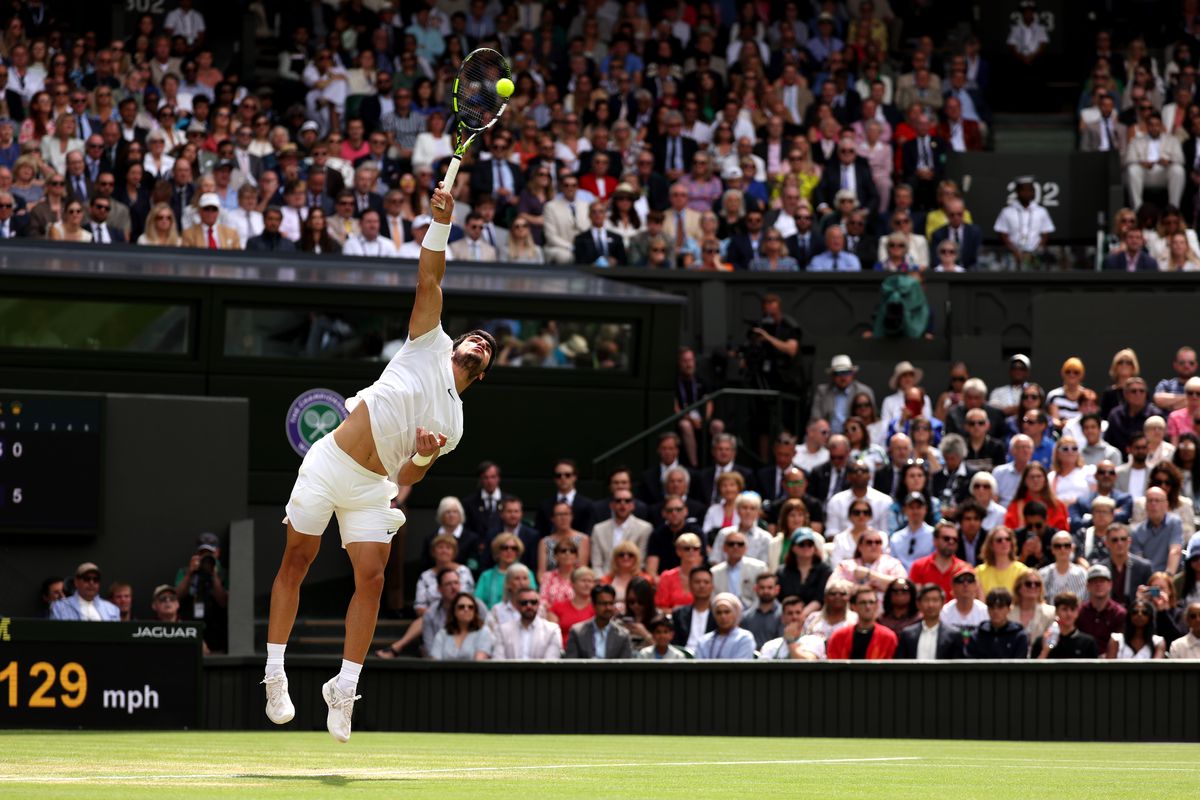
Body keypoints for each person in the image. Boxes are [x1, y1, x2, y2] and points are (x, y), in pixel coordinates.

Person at [263, 183, 496, 742]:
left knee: (368, 580)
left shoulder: (455, 424)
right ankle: (274, 673)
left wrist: (419, 453)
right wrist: (440, 223)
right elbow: (430, 277)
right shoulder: (426, 340)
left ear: (481, 372)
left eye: (487, 349)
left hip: (372, 488)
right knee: (297, 559)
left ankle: (343, 687)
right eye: (475, 338)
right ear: (456, 342)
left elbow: (410, 478)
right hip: (330, 462)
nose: (478, 344)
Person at [993, 175, 1054, 268]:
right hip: (1012, 256)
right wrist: (1014, 251)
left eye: (1030, 190)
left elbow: (1045, 234)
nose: (1027, 193)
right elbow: (1002, 234)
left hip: (1035, 257)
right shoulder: (1007, 211)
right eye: (1023, 190)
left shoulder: (1041, 211)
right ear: (1017, 192)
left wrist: (1035, 252)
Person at [826, 586, 898, 659]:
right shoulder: (839, 637)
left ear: (877, 606)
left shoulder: (888, 638)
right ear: (854, 606)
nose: (868, 607)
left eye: (871, 602)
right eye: (863, 603)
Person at [491, 588, 563, 660]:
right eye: (524, 603)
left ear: (538, 604)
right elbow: (499, 661)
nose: (529, 606)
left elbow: (551, 663)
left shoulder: (552, 630)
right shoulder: (503, 630)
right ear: (516, 606)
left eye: (533, 602)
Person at [564, 585, 633, 659]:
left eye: (611, 603)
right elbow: (571, 665)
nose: (608, 608)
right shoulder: (577, 632)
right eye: (603, 604)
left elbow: (625, 667)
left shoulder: (623, 635)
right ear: (594, 605)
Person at [414, 534, 475, 615]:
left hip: (460, 616)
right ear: (433, 551)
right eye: (440, 547)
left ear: (454, 552)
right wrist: (436, 617)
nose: (444, 551)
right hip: (432, 617)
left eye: (448, 548)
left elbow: (468, 600)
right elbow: (419, 606)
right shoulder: (425, 576)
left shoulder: (463, 572)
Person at [895, 584, 962, 659]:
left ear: (943, 603)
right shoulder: (907, 634)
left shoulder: (954, 635)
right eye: (926, 600)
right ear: (918, 604)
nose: (931, 605)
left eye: (935, 600)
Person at [1076, 564, 1127, 656]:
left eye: (1102, 581)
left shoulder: (1119, 613)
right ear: (1087, 586)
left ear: (1110, 584)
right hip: (1083, 663)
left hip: (1110, 664)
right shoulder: (1079, 612)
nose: (1098, 584)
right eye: (1094, 581)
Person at [1131, 486, 1185, 573]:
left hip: (1169, 579)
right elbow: (1138, 563)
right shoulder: (1136, 532)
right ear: (1145, 506)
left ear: (1166, 505)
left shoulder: (1174, 523)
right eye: (1150, 501)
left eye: (1157, 500)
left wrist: (1168, 577)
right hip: (1146, 580)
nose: (1153, 504)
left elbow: (1175, 551)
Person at [909, 520, 971, 595]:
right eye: (946, 538)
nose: (951, 542)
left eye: (955, 539)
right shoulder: (919, 566)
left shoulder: (965, 569)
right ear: (935, 540)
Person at [476, 534, 536, 609]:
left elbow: (533, 600)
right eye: (504, 548)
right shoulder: (486, 576)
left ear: (518, 552)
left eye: (514, 548)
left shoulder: (527, 573)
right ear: (497, 551)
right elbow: (477, 602)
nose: (509, 551)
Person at [1032, 592, 1099, 659]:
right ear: (1056, 612)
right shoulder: (1042, 641)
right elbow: (1032, 668)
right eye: (1064, 609)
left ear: (1077, 612)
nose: (1069, 614)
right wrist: (1045, 650)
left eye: (1072, 609)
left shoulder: (1088, 643)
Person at [965, 588, 1028, 659]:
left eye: (1000, 607)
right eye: (991, 607)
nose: (995, 611)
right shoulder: (977, 635)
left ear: (1009, 609)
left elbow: (1019, 666)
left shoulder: (1018, 636)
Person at [430, 593, 493, 661]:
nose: (466, 609)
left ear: (475, 612)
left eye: (471, 607)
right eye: (461, 607)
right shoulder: (442, 634)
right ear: (454, 611)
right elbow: (435, 661)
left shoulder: (483, 632)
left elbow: (479, 662)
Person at [49, 562, 121, 621]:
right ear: (76, 582)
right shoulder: (59, 607)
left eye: (96, 579)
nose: (91, 583)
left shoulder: (112, 609)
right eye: (87, 578)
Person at [694, 592, 756, 659]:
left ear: (735, 613)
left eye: (727, 612)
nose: (723, 616)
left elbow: (740, 667)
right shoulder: (704, 641)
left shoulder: (744, 638)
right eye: (719, 612)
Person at [547, 567, 596, 648]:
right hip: (562, 652)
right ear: (573, 584)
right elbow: (551, 635)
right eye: (583, 580)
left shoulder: (597, 609)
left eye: (590, 581)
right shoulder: (557, 607)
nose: (587, 584)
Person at [654, 532, 705, 610]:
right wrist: (679, 614)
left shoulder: (705, 577)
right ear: (678, 551)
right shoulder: (667, 577)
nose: (691, 551)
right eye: (687, 548)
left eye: (695, 548)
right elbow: (660, 607)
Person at [671, 566, 717, 650]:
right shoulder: (679, 614)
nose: (702, 585)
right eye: (697, 582)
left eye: (706, 582)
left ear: (712, 586)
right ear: (690, 585)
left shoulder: (718, 614)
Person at [1008, 571, 1056, 650]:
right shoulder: (1008, 612)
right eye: (1028, 584)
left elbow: (1051, 642)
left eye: (1037, 584)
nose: (1033, 586)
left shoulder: (1051, 612)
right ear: (1018, 588)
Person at [940, 567, 988, 643]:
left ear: (976, 585)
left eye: (970, 580)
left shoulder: (985, 612)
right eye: (960, 580)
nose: (965, 584)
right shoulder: (944, 613)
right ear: (952, 585)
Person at [1040, 531, 1088, 599]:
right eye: (1057, 546)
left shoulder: (1083, 574)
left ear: (1072, 548)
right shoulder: (1042, 574)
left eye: (1067, 545)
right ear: (1052, 549)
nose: (1062, 549)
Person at [740, 572, 782, 648]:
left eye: (770, 587)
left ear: (777, 589)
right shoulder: (746, 617)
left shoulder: (785, 615)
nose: (766, 591)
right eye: (762, 587)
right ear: (756, 589)